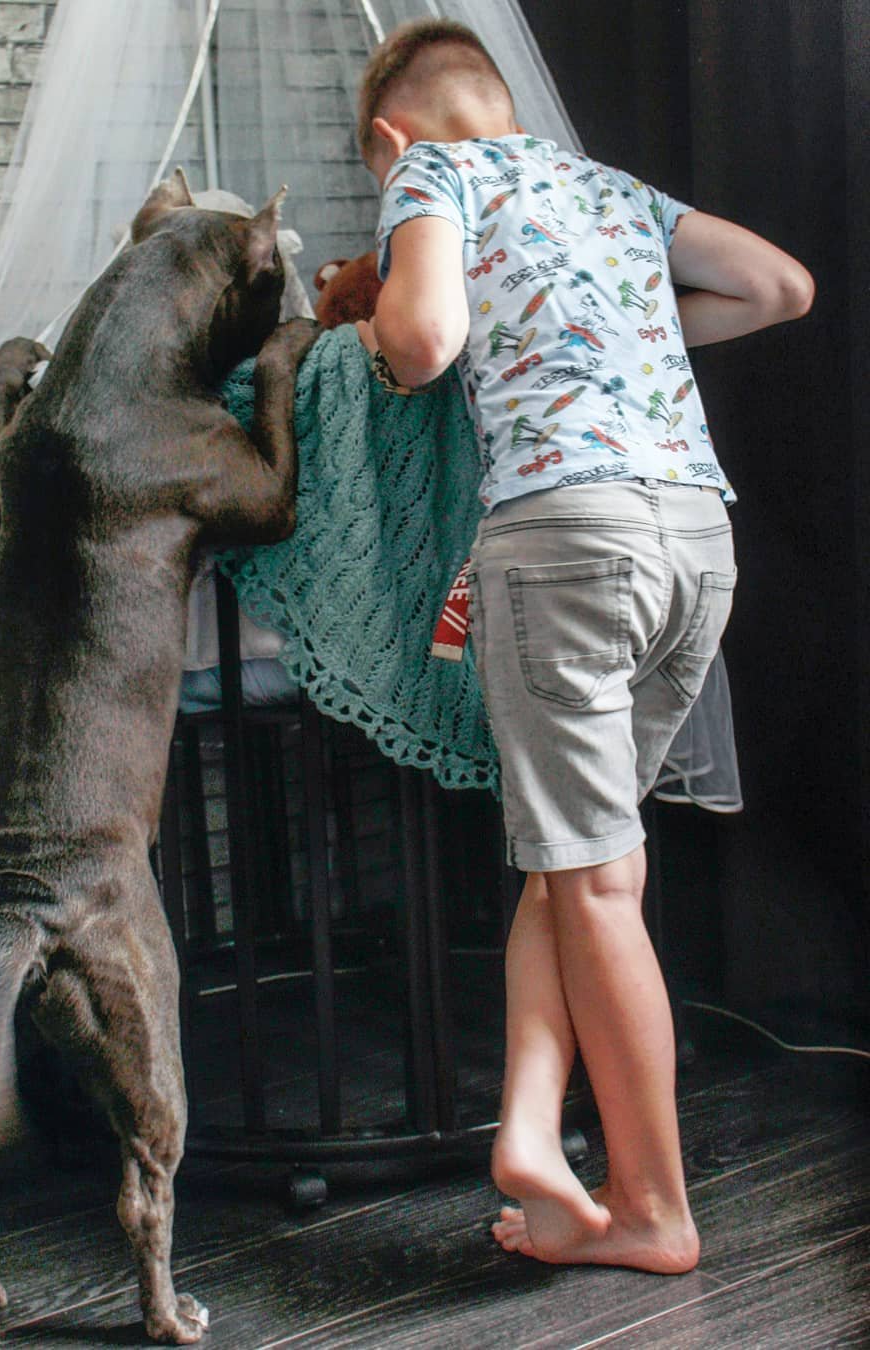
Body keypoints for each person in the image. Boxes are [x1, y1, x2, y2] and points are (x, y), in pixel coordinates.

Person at [355, 19, 813, 1273]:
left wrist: (386, 321)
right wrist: (627, 339)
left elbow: (424, 339)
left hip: (565, 535)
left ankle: (656, 1211)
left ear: (392, 136)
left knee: (594, 876)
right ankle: (534, 1149)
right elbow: (782, 288)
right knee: (581, 865)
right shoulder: (605, 187)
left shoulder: (427, 174)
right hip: (693, 543)